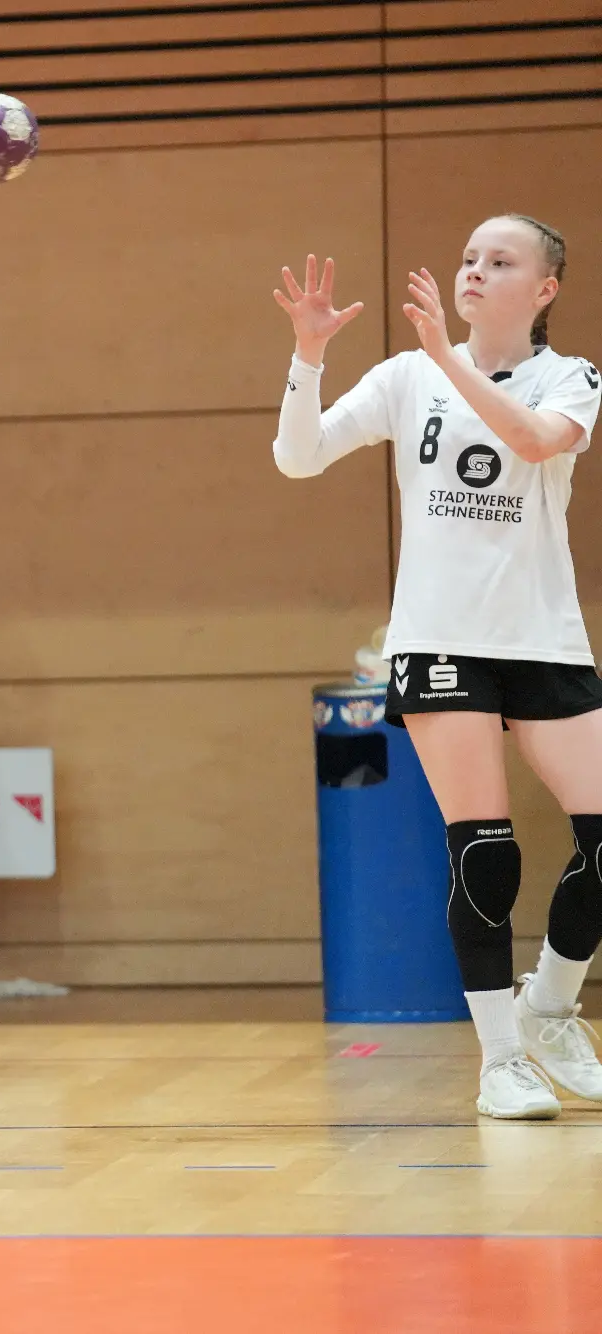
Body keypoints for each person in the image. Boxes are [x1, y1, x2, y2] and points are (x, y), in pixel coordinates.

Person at [271, 217, 602, 1120]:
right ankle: (502, 1061)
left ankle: (549, 1008)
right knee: (486, 851)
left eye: (501, 261)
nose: (474, 272)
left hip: (544, 638)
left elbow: (532, 440)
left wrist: (449, 361)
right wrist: (308, 355)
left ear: (544, 289)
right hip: (442, 641)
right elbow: (298, 458)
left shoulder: (571, 378)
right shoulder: (406, 376)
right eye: (468, 258)